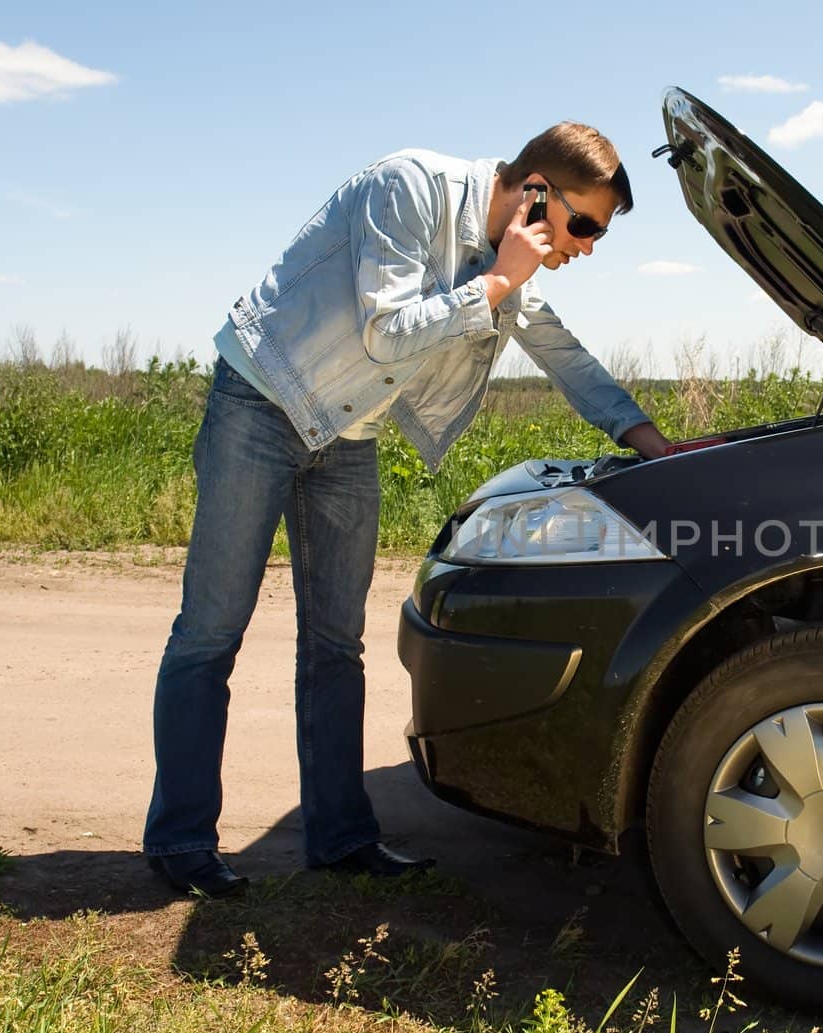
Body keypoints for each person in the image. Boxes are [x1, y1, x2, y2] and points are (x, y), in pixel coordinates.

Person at [144, 122, 672, 897]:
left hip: (345, 433)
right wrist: (496, 282)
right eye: (584, 224)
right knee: (210, 631)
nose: (586, 246)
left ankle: (340, 837)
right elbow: (386, 331)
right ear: (535, 193)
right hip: (261, 403)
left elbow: (560, 352)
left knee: (336, 645)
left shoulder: (504, 261)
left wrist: (653, 443)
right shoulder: (409, 187)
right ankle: (182, 841)